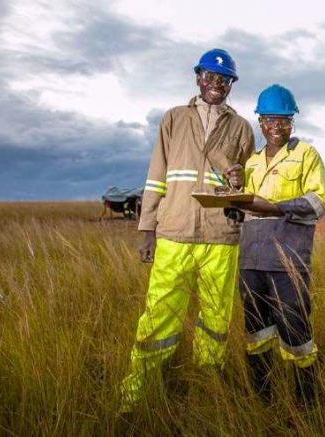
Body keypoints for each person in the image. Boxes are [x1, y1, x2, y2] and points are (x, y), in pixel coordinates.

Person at [119, 48, 255, 412]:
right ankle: (135, 395)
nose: (216, 83)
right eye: (209, 76)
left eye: (224, 79)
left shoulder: (242, 128)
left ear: (231, 84)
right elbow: (156, 177)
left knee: (216, 317)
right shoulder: (174, 119)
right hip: (174, 233)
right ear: (198, 77)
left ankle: (206, 387)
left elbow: (248, 184)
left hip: (221, 237)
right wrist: (147, 228)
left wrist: (238, 183)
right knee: (159, 314)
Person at [232, 84, 325, 406]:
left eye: (284, 120)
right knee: (256, 332)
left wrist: (274, 207)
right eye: (270, 120)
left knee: (295, 329)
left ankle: (306, 402)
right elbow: (243, 209)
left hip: (287, 259)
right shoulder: (251, 162)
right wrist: (231, 193)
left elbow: (319, 202)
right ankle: (264, 399)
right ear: (260, 122)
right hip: (251, 259)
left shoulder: (305, 155)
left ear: (292, 122)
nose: (276, 127)